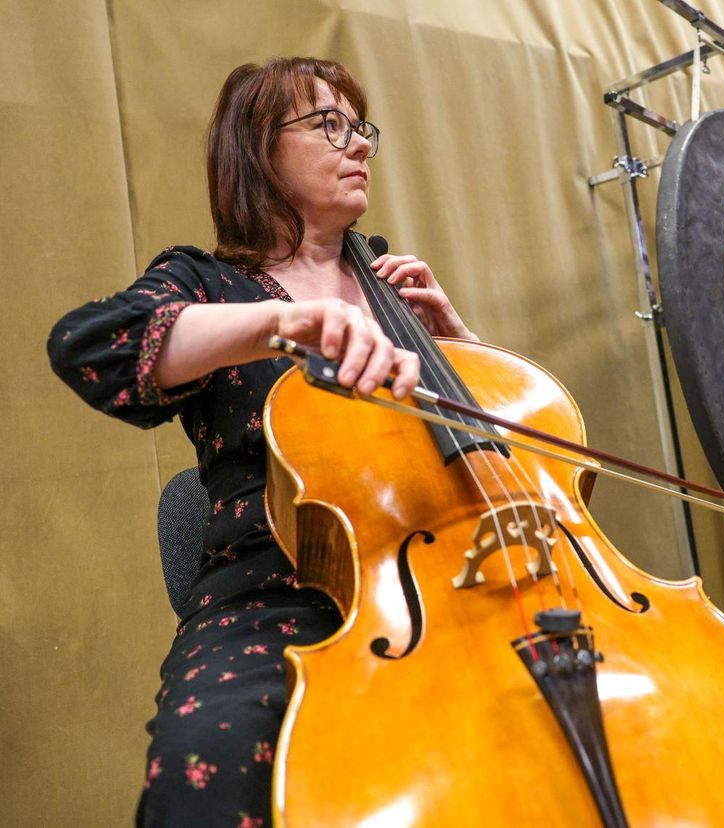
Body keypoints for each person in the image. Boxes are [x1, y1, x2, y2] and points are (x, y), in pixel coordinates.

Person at [48, 57, 476, 826]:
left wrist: (465, 351)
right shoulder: (210, 284)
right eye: (328, 124)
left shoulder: (395, 286)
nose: (361, 146)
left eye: (361, 127)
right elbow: (93, 346)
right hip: (275, 597)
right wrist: (279, 325)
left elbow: (517, 459)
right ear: (256, 147)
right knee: (202, 769)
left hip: (450, 585)